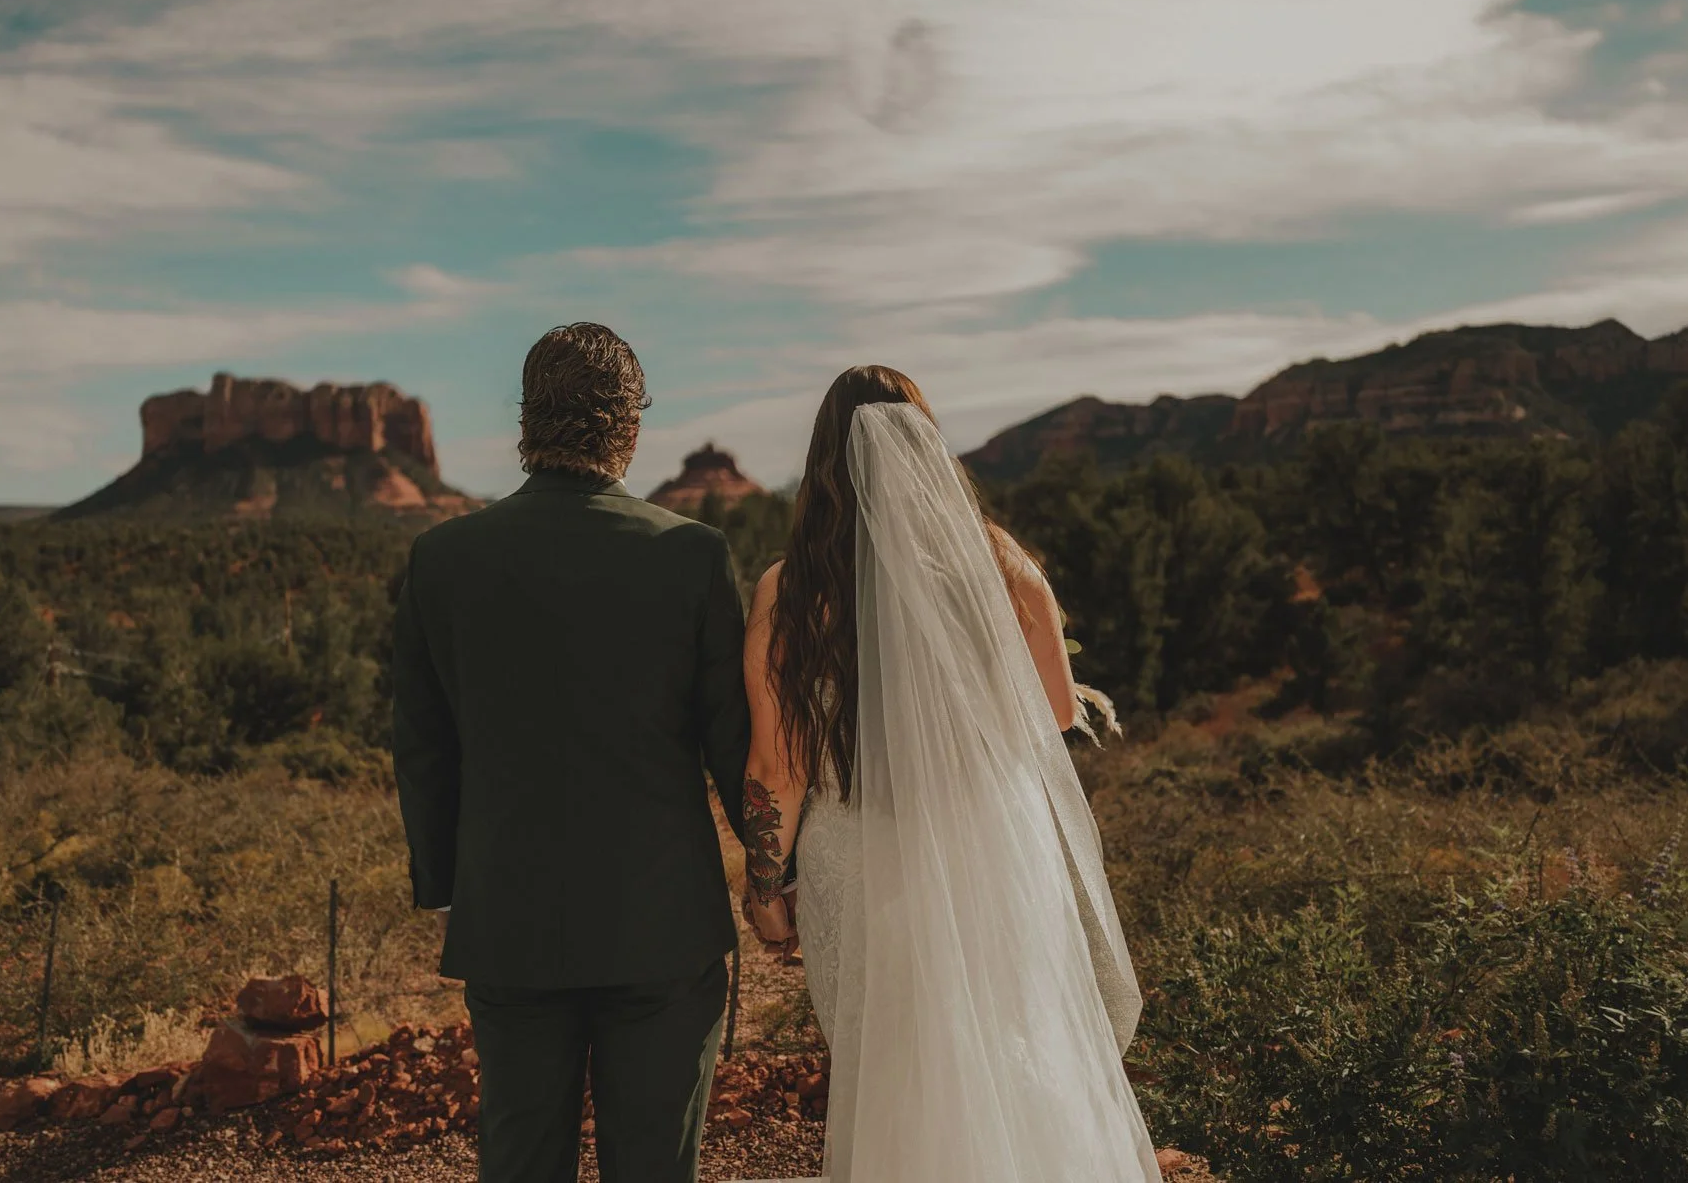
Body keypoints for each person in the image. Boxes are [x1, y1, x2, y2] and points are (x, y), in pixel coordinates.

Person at [740, 366, 1162, 1182]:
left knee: (895, 1058)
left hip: (862, 859)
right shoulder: (1006, 570)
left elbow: (777, 765)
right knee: (1018, 1040)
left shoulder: (791, 591)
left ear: (823, 461)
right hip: (993, 849)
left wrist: (764, 889)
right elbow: (1058, 716)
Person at [392, 323, 752, 1183]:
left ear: (526, 422)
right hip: (663, 927)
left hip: (509, 922)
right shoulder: (692, 556)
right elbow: (733, 744)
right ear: (629, 426)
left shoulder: (442, 558)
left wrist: (445, 888)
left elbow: (423, 744)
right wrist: (779, 880)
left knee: (519, 1161)